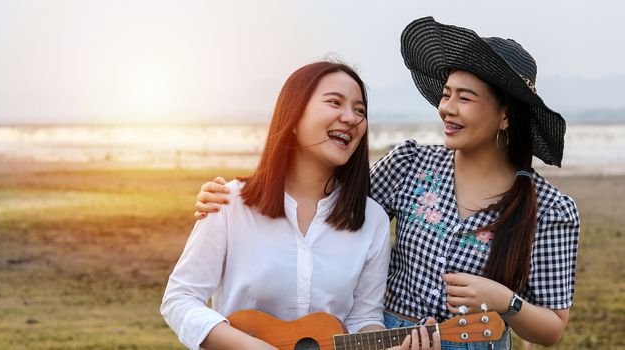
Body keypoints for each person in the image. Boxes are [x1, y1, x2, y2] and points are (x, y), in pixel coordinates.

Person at [192, 17, 580, 350]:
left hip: (474, 339)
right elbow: (325, 199)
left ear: (505, 115)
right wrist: (245, 192)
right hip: (382, 338)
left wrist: (505, 301)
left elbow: (553, 326)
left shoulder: (549, 207)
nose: (447, 108)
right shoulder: (411, 164)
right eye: (446, 95)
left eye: (465, 97)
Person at [161, 61, 440, 350]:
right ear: (293, 115)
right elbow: (179, 298)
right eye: (335, 102)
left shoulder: (373, 220)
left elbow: (363, 318)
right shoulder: (229, 202)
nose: (351, 118)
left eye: (360, 110)